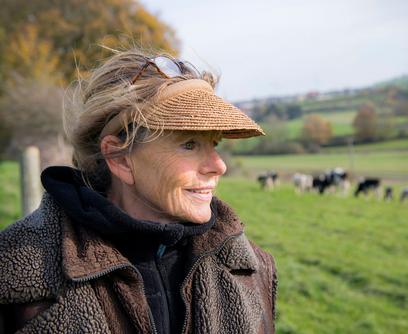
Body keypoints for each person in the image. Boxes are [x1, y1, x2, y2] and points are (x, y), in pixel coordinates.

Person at [0, 50, 277, 333]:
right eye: (190, 144)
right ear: (120, 158)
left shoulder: (254, 269)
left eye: (214, 144)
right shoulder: (15, 270)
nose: (218, 166)